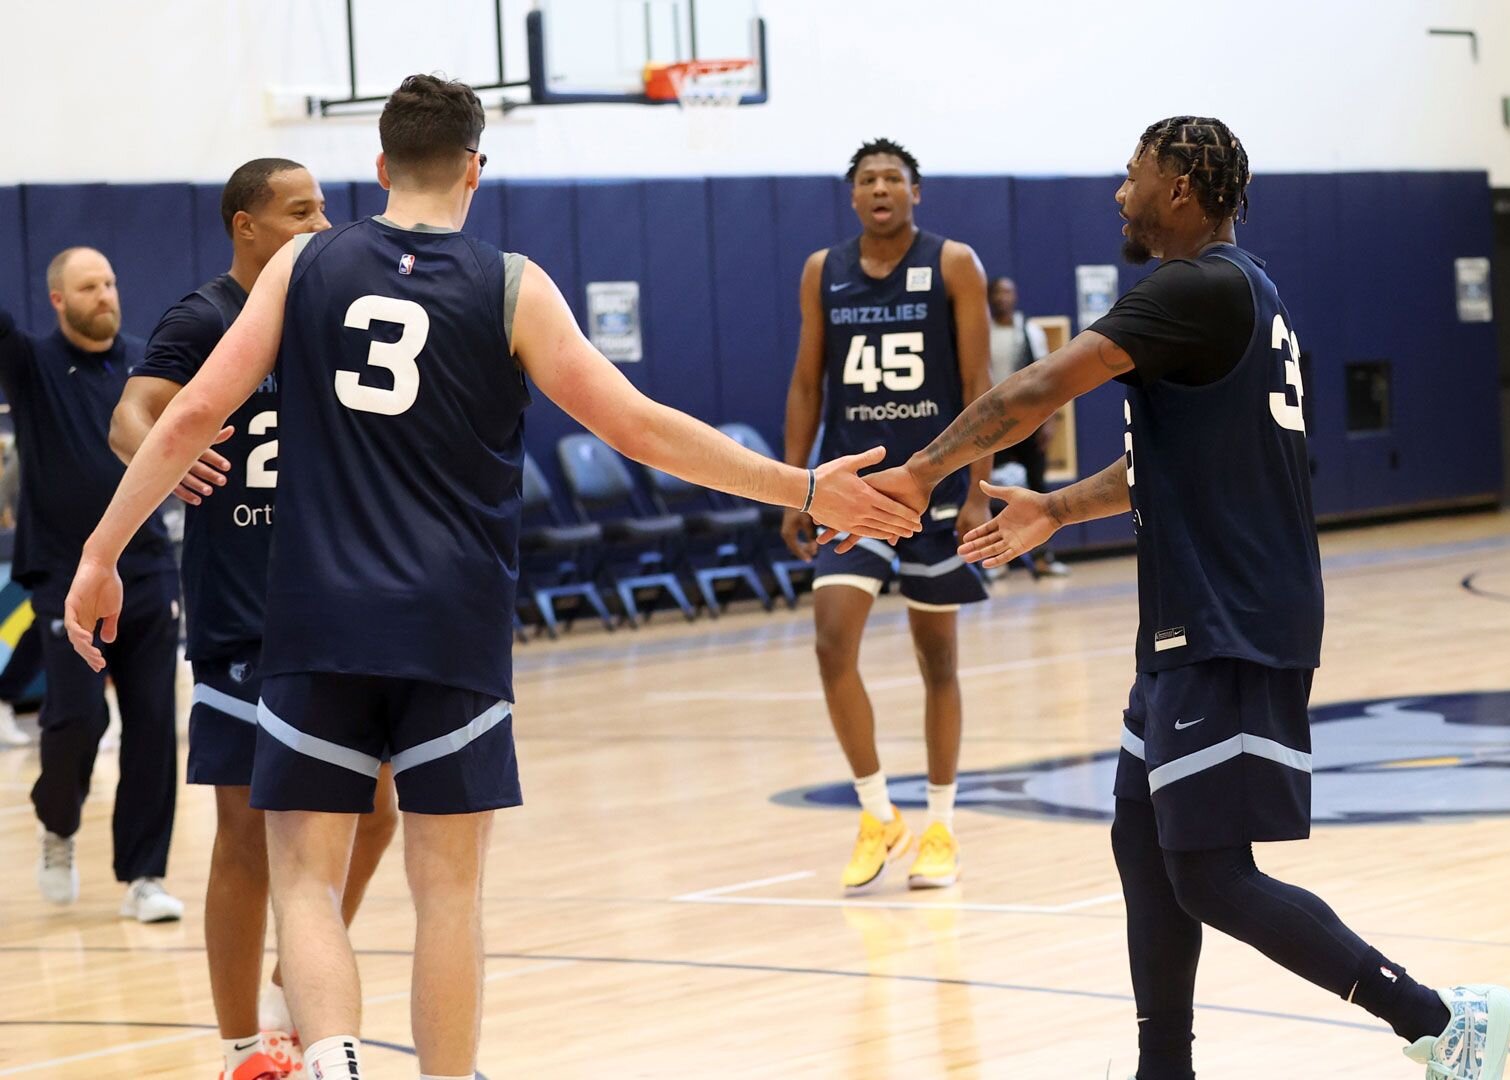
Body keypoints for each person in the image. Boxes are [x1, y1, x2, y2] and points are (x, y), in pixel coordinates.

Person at [64, 73, 919, 1080]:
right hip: (453, 632)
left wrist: (100, 553)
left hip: (318, 625)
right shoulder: (515, 285)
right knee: (448, 895)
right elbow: (640, 428)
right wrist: (805, 485)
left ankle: (331, 1058)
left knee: (302, 880)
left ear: (378, 166)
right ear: (476, 167)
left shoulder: (301, 265)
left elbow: (194, 412)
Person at [866, 117, 1510, 1079]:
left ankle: (1436, 1020)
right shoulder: (1242, 291)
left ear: (1178, 189)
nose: (1118, 195)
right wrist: (1053, 506)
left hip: (1231, 619)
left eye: (1132, 178)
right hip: (1192, 618)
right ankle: (1162, 1068)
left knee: (1211, 874)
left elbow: (1038, 389)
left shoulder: (1197, 287)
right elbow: (1160, 461)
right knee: (1143, 841)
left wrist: (920, 472)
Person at [113, 157, 401, 1080]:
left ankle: (298, 966)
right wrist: (161, 455)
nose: (324, 224)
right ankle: (244, 1043)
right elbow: (133, 414)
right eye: (300, 210)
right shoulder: (205, 318)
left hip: (340, 608)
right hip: (245, 616)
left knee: (382, 811)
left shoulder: (328, 316)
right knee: (244, 833)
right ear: (247, 225)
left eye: (325, 207)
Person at [779, 138, 993, 893]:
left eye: (893, 179)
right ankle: (877, 813)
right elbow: (808, 382)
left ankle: (941, 826)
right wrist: (795, 484)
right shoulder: (822, 271)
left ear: (916, 192)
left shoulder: (953, 264)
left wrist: (976, 488)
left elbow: (979, 383)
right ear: (851, 195)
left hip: (933, 495)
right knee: (832, 643)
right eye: (867, 179)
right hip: (854, 494)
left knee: (938, 661)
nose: (880, 189)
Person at [0, 247, 183, 922]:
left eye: (110, 281)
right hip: (61, 573)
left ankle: (144, 875)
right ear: (57, 300)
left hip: (147, 568)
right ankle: (59, 824)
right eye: (88, 286)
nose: (105, 294)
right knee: (78, 719)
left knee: (153, 725)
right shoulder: (31, 364)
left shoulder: (146, 362)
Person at [986, 275, 1070, 580]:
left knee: (1037, 487)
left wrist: (1049, 420)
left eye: (1008, 292)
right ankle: (997, 559)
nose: (1002, 298)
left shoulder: (1030, 332)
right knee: (993, 489)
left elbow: (1048, 379)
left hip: (1030, 421)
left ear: (1015, 296)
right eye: (997, 292)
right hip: (994, 423)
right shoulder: (982, 332)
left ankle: (1043, 558)